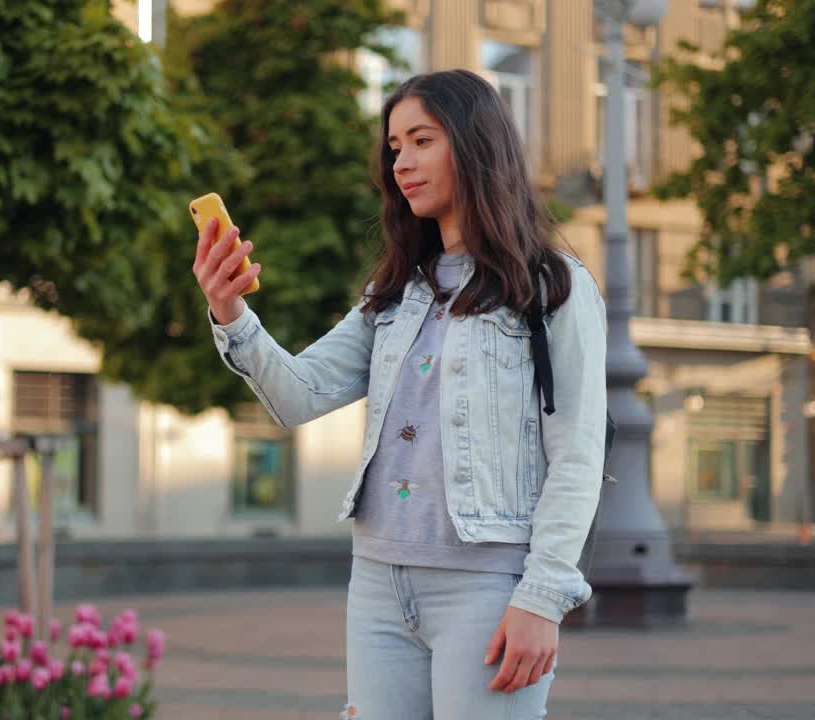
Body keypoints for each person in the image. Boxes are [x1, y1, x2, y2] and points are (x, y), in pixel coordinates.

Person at [192, 70, 607, 719]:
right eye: (394, 147)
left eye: (422, 140)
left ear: (474, 145)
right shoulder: (395, 292)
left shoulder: (552, 286)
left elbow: (578, 453)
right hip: (379, 586)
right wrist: (229, 311)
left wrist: (542, 597)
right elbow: (298, 396)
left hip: (487, 587)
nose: (402, 163)